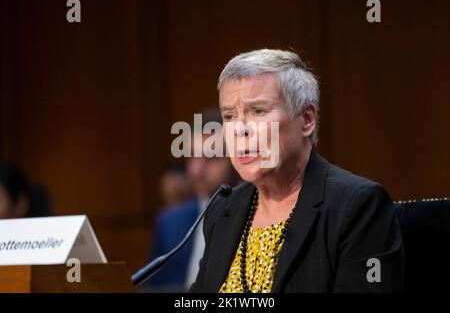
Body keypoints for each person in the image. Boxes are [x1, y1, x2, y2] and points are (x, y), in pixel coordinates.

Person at [190, 49, 403, 293]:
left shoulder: (357, 207)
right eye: (229, 115)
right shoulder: (223, 210)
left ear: (307, 118)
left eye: (258, 111)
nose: (239, 130)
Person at [144, 108, 240, 292]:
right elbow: (154, 287)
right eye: (192, 156)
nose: (197, 170)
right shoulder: (170, 221)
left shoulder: (259, 217)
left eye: (211, 158)